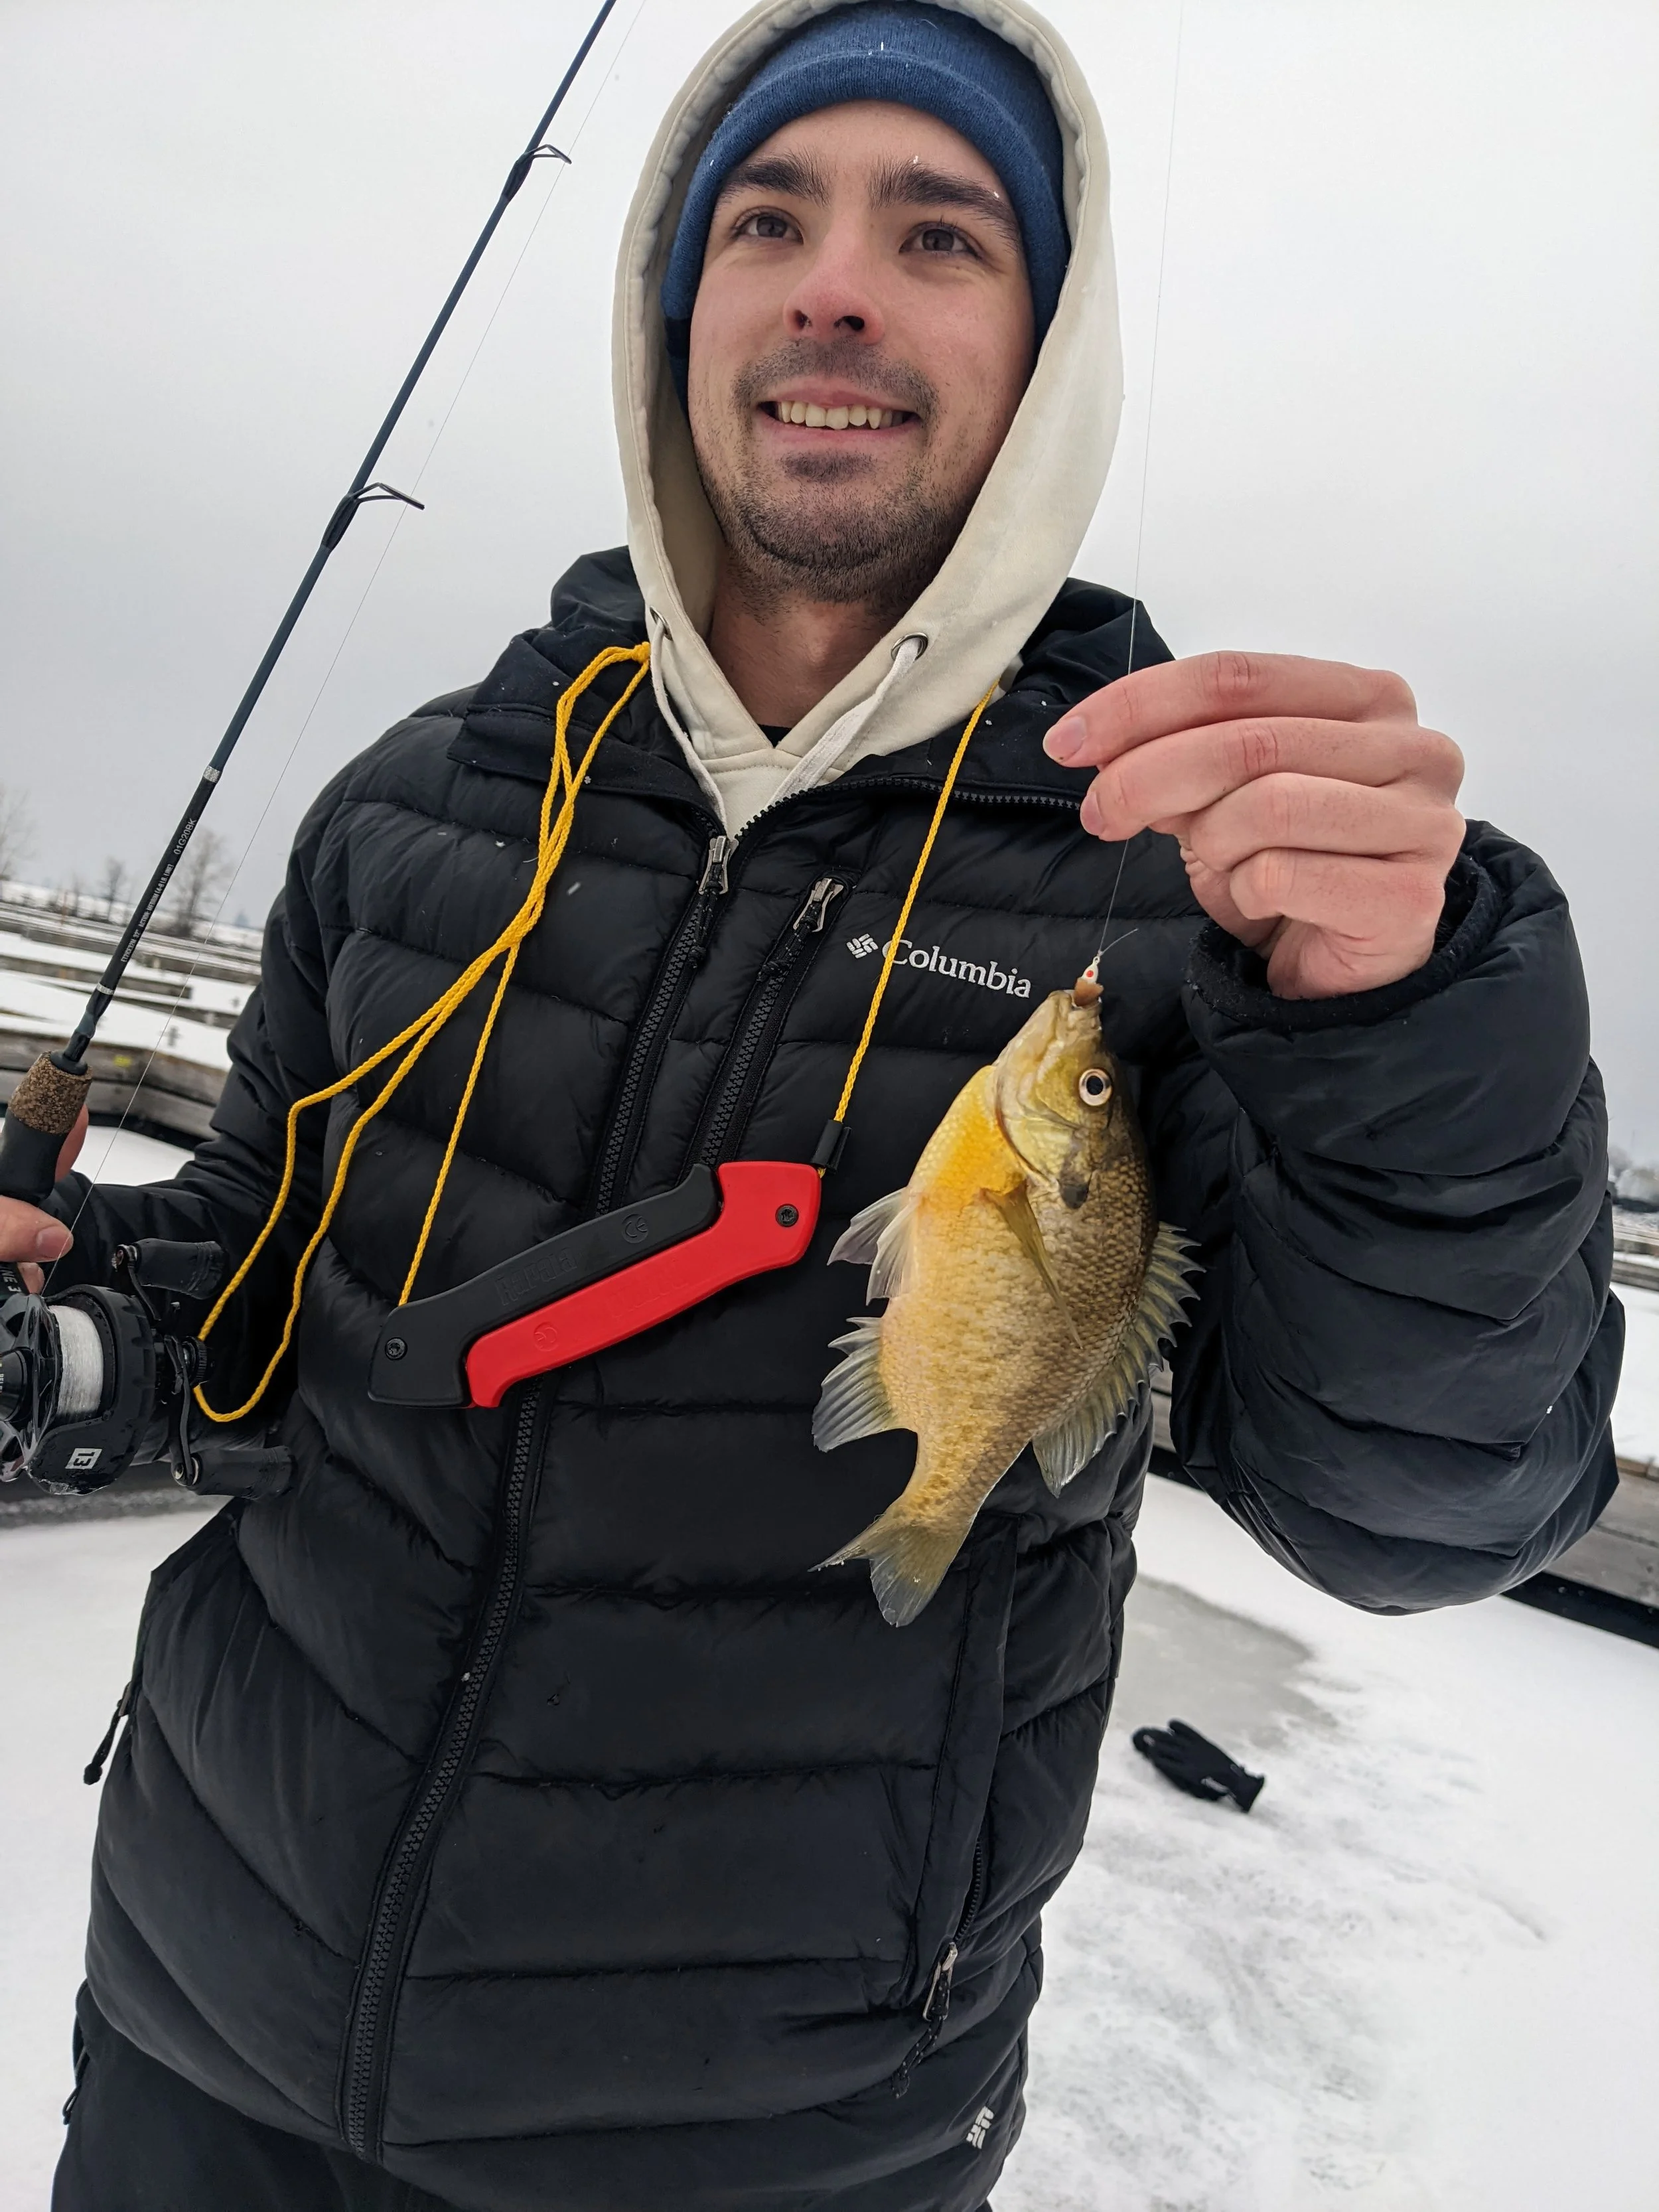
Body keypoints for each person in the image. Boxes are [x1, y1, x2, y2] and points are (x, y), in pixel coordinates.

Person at [9, 4, 1619, 2207]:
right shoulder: (421, 798)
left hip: (769, 2144)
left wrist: (1409, 1037)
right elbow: (260, 1297)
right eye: (767, 220)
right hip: (205, 2026)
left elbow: (1421, 1514)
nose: (834, 284)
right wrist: (79, 1310)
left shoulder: (1188, 892)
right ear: (677, 312)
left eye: (936, 233)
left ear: (1050, 351)